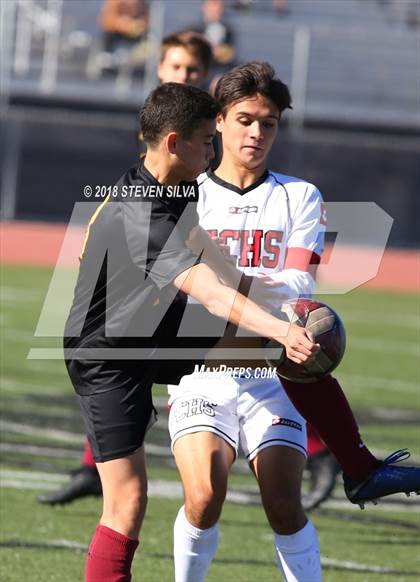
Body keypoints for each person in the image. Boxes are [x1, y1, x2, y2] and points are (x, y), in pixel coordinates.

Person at [168, 61, 420, 581]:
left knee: (283, 503)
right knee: (204, 495)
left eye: (269, 123)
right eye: (244, 119)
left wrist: (221, 287)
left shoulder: (299, 195)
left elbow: (300, 286)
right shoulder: (187, 195)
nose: (256, 133)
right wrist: (245, 289)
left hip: (274, 372)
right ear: (218, 120)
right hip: (201, 367)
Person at [63, 81, 318, 582]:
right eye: (206, 140)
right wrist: (280, 330)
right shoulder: (144, 212)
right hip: (109, 357)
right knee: (127, 501)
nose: (211, 153)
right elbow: (210, 290)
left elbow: (211, 257)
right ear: (175, 142)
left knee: (268, 346)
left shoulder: (171, 186)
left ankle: (355, 461)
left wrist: (275, 306)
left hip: (148, 328)